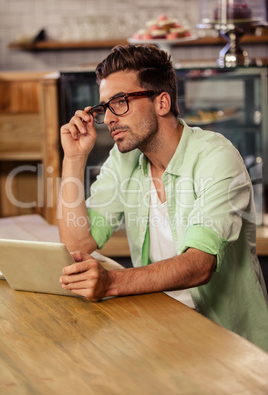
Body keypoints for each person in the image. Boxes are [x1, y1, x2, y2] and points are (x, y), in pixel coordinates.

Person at [58, 44, 268, 352]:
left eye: (120, 102)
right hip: (160, 328)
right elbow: (77, 246)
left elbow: (199, 265)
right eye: (105, 107)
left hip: (231, 346)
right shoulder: (124, 160)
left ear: (162, 102)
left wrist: (112, 283)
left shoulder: (216, 157)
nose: (110, 119)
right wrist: (73, 158)